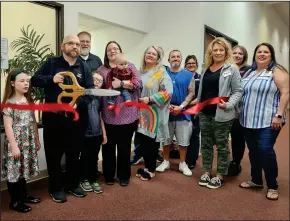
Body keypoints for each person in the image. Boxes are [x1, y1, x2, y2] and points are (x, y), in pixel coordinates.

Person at [31, 34, 94, 203]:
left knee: (74, 153)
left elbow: (90, 91)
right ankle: (56, 188)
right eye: (71, 43)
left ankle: (72, 185)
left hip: (76, 119)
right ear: (63, 46)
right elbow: (34, 80)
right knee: (54, 155)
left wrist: (77, 103)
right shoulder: (52, 63)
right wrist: (52, 79)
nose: (75, 46)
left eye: (78, 44)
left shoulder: (84, 67)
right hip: (54, 119)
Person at [239, 43, 289, 201]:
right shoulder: (250, 72)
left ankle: (272, 186)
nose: (262, 54)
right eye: (259, 51)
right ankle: (256, 180)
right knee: (253, 151)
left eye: (265, 52)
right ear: (255, 54)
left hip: (270, 119)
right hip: (248, 119)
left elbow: (286, 93)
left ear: (271, 55)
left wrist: (279, 115)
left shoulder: (276, 70)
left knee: (265, 150)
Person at [196, 37, 242, 189]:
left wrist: (229, 104)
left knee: (222, 145)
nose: (218, 52)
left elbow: (238, 91)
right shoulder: (206, 69)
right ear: (211, 52)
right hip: (204, 113)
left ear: (226, 51)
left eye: (221, 50)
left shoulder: (232, 69)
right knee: (206, 144)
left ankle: (221, 175)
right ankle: (207, 171)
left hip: (222, 114)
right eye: (215, 50)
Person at [97, 41, 142, 186]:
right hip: (108, 115)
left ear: (120, 51)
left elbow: (139, 83)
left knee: (124, 147)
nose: (112, 51)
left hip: (128, 115)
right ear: (106, 53)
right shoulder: (101, 70)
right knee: (108, 148)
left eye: (115, 48)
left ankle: (124, 176)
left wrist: (122, 84)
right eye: (109, 49)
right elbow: (97, 87)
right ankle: (109, 176)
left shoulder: (130, 67)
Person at [2, 69, 41, 213]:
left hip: (28, 141)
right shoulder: (9, 103)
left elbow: (33, 121)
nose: (26, 83)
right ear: (12, 83)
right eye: (22, 81)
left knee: (23, 169)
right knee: (14, 171)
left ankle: (23, 196)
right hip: (16, 142)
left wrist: (36, 138)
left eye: (27, 81)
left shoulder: (28, 99)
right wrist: (14, 147)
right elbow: (8, 126)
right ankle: (15, 201)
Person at [135, 46, 173, 181]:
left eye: (153, 54)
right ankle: (146, 167)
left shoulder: (160, 72)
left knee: (151, 143)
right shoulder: (140, 72)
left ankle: (151, 169)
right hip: (141, 114)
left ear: (158, 58)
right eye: (148, 53)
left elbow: (167, 91)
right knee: (143, 142)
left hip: (154, 114)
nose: (150, 55)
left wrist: (150, 99)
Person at [156, 50, 195, 177]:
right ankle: (166, 161)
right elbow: (155, 87)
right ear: (168, 59)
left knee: (183, 141)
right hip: (165, 112)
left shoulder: (188, 75)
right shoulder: (162, 73)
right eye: (173, 57)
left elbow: (191, 93)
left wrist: (181, 106)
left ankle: (182, 163)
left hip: (182, 113)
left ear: (181, 59)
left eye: (178, 56)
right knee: (166, 140)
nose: (175, 58)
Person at [79, 72, 107, 193]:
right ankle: (84, 179)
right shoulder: (82, 96)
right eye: (94, 79)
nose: (96, 82)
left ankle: (93, 178)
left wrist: (104, 133)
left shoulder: (100, 99)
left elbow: (101, 116)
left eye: (99, 81)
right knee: (85, 157)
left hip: (97, 133)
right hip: (85, 133)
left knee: (94, 157)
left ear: (102, 85)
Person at [227, 45, 251, 176]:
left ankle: (236, 162)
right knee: (222, 137)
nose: (237, 55)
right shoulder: (226, 68)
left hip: (240, 110)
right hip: (225, 108)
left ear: (244, 56)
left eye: (240, 54)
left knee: (237, 138)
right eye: (234, 53)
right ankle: (224, 160)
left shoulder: (249, 70)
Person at [184, 55, 201, 169]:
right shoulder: (183, 77)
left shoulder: (201, 77)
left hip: (195, 110)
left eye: (193, 63)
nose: (191, 65)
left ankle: (191, 160)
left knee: (194, 135)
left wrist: (190, 103)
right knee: (184, 135)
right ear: (185, 65)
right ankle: (183, 158)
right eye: (189, 63)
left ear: (196, 65)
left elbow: (201, 94)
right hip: (183, 110)